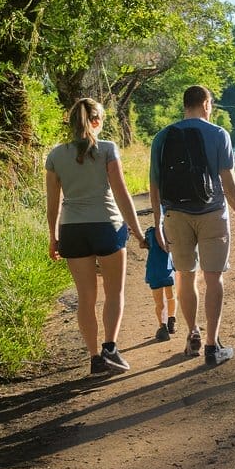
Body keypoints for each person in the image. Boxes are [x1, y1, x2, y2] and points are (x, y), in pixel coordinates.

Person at [45, 97, 147, 377]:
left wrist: (53, 237)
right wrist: (137, 231)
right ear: (97, 122)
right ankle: (110, 348)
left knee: (85, 297)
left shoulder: (55, 155)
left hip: (72, 230)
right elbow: (122, 195)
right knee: (114, 292)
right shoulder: (107, 149)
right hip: (106, 226)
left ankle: (94, 358)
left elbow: (52, 202)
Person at [149, 85, 235, 366]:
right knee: (214, 277)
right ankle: (211, 345)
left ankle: (192, 332)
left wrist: (158, 221)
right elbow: (229, 183)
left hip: (175, 215)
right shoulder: (219, 134)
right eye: (211, 103)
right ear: (206, 104)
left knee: (185, 274)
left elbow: (154, 185)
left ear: (185, 105)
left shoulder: (162, 137)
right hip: (212, 213)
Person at [144, 226, 177, 341]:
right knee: (170, 296)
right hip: (167, 268)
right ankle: (171, 320)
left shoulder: (150, 233)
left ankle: (162, 326)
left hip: (154, 270)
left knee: (159, 302)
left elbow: (143, 244)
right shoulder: (170, 231)